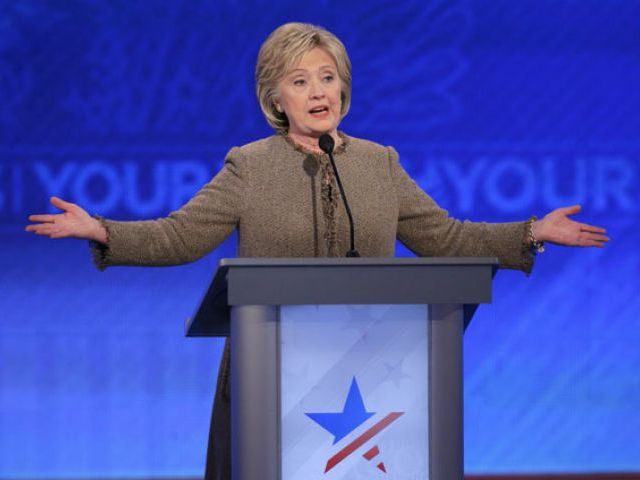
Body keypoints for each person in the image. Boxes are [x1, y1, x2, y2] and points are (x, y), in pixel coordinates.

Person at [26, 22, 608, 480]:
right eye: (299, 80)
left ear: (343, 87)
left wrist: (530, 232)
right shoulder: (249, 167)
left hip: (370, 383)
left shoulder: (379, 163)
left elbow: (445, 238)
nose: (317, 91)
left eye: (326, 77)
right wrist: (103, 230)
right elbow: (181, 236)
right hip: (269, 373)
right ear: (276, 97)